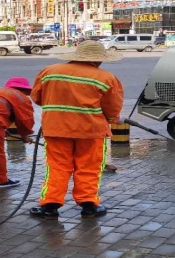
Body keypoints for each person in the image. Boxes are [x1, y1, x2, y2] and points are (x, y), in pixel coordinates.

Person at [29, 40, 124, 219]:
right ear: (99, 60)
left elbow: (37, 97)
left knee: (57, 167)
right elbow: (112, 109)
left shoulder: (49, 72)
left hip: (56, 129)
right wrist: (113, 120)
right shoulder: (106, 78)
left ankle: (50, 206)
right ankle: (89, 206)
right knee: (89, 167)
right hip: (91, 131)